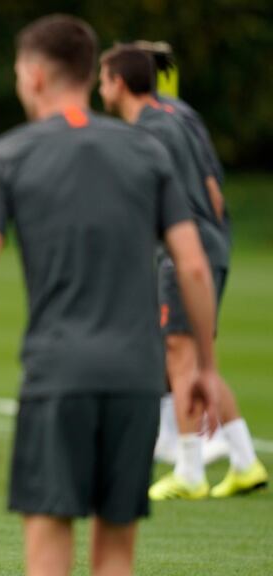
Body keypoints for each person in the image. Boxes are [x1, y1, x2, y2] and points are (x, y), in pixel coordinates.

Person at [0, 15, 223, 576]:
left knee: (49, 540)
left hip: (57, 375)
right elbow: (192, 264)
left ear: (36, 75)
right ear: (92, 75)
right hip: (137, 378)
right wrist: (205, 368)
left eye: (19, 71)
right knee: (117, 549)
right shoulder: (148, 151)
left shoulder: (7, 156)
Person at [98, 44, 267, 500]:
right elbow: (213, 186)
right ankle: (245, 461)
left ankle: (190, 469)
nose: (99, 86)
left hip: (184, 251)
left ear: (117, 83)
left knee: (178, 353)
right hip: (210, 245)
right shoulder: (177, 114)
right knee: (193, 355)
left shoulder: (149, 129)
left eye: (103, 76)